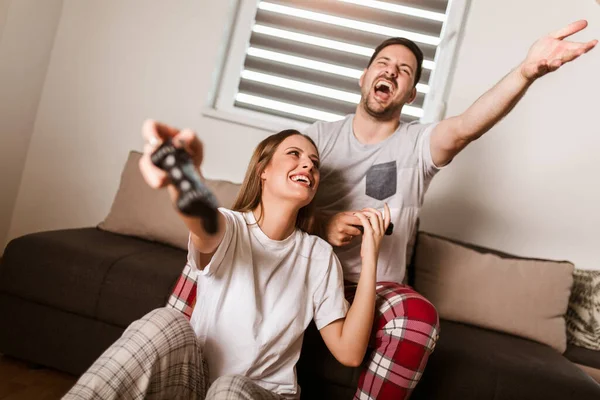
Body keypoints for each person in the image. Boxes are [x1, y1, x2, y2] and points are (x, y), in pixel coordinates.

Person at [168, 20, 598, 400]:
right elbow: (272, 213)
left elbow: (468, 124)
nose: (391, 70)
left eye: (404, 70)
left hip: (370, 287)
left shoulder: (418, 145)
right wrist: (323, 223)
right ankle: (170, 370)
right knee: (211, 256)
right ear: (364, 77)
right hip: (303, 273)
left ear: (409, 94)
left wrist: (526, 72)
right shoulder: (316, 140)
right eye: (384, 62)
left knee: (416, 319)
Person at [63, 127, 391, 399]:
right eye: (294, 154)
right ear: (264, 170)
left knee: (230, 389)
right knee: (165, 322)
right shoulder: (231, 227)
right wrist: (182, 174)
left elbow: (349, 352)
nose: (308, 165)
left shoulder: (319, 258)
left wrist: (370, 257)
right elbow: (202, 218)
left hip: (262, 394)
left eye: (314, 163)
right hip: (193, 383)